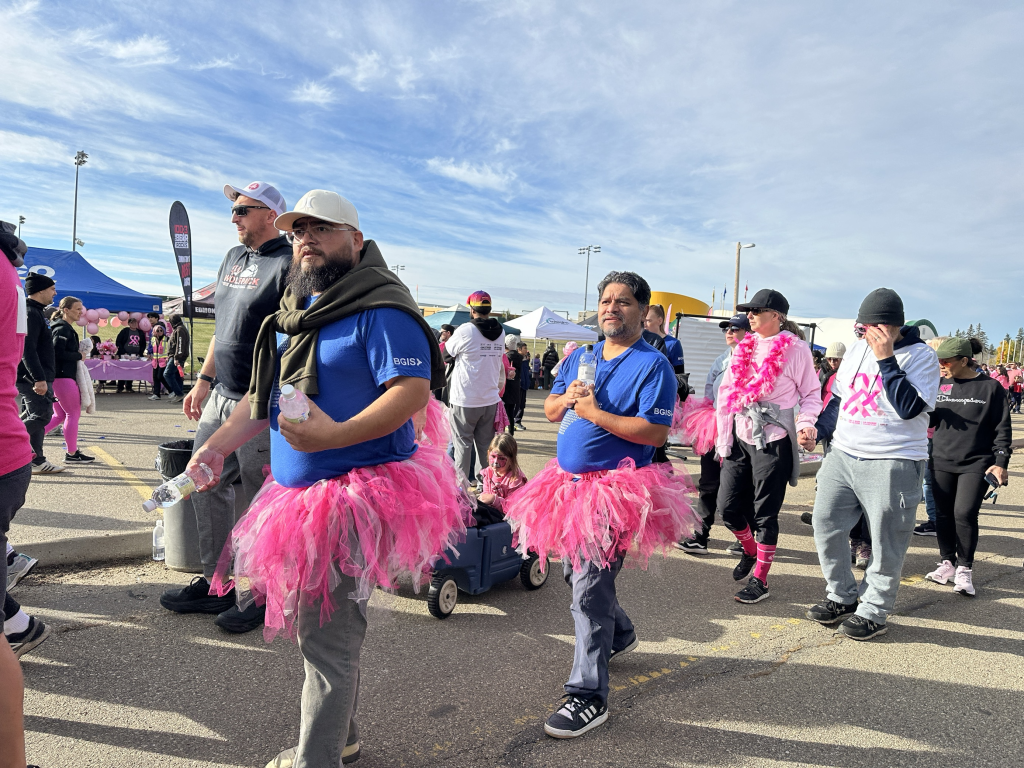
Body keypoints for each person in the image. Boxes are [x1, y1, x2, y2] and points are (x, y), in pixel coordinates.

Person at [187, 189, 465, 768]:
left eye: (321, 228)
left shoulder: (383, 308)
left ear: (356, 240)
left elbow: (412, 393)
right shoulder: (295, 314)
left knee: (327, 641)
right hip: (297, 501)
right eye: (296, 232)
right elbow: (262, 403)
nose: (305, 238)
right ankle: (343, 737)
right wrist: (213, 448)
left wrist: (332, 437)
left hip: (355, 498)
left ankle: (319, 759)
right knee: (319, 632)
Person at [506, 271, 699, 740]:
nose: (612, 308)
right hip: (565, 486)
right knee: (576, 574)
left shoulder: (653, 366)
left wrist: (593, 414)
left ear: (641, 310)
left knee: (588, 590)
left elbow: (654, 435)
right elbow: (551, 410)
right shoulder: (581, 355)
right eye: (606, 301)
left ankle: (588, 696)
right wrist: (568, 399)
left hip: (614, 492)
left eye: (624, 302)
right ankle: (620, 634)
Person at [160, 181, 291, 634]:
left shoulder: (289, 263)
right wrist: (204, 379)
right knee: (201, 480)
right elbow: (223, 325)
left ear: (270, 214)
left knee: (260, 500)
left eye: (242, 210)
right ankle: (215, 584)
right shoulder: (234, 258)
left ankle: (260, 591)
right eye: (232, 210)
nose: (233, 217)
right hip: (221, 395)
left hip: (261, 403)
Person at [805, 288, 939, 640]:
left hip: (894, 459)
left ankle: (874, 610)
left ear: (891, 326)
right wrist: (816, 430)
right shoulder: (857, 351)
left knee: (885, 540)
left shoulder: (921, 356)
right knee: (825, 523)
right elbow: (838, 402)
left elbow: (909, 407)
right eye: (861, 329)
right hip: (844, 454)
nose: (865, 335)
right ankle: (842, 595)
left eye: (870, 329)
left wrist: (885, 358)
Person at [715, 289, 822, 604]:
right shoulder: (742, 347)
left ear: (778, 316)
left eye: (757, 310)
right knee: (729, 507)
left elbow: (811, 393)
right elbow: (725, 396)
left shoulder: (796, 349)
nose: (749, 315)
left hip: (774, 439)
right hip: (741, 435)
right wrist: (723, 441)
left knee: (765, 513)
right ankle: (750, 551)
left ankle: (760, 579)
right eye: (749, 310)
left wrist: (806, 424)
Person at [924, 337, 1011, 596]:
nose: (941, 365)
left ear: (964, 360)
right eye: (938, 360)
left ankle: (965, 569)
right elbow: (927, 417)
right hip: (940, 459)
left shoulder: (991, 388)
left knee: (964, 513)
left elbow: (1002, 429)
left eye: (946, 361)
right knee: (942, 515)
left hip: (977, 462)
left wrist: (1000, 463)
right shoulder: (939, 384)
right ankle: (947, 562)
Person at [2, 225, 50, 660]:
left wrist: (37, 378)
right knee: (45, 417)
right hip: (9, 448)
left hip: (6, 449)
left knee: (49, 417)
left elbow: (30, 354)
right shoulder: (13, 284)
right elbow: (28, 353)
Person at [676, 313, 749, 554]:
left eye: (735, 328)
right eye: (727, 328)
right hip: (715, 425)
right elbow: (709, 394)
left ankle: (745, 537)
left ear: (748, 332)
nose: (729, 332)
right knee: (708, 483)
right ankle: (700, 535)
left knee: (741, 485)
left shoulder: (755, 361)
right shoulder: (720, 361)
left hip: (742, 429)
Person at [443, 290, 505, 483]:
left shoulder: (466, 330)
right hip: (489, 398)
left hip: (465, 399)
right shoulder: (501, 331)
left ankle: (461, 491)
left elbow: (446, 354)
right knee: (486, 446)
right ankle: (488, 486)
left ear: (471, 309)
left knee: (462, 445)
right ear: (489, 309)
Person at [18, 272, 61, 474]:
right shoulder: (31, 313)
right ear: (41, 290)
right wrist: (39, 379)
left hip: (38, 376)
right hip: (33, 377)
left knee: (35, 416)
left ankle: (37, 460)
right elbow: (28, 349)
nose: (55, 293)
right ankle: (8, 443)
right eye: (52, 289)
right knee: (41, 415)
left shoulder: (36, 312)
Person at [44, 296, 93, 463]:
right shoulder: (63, 329)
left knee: (60, 415)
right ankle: (72, 453)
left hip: (58, 377)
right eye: (78, 309)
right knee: (72, 414)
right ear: (66, 310)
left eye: (81, 309)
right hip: (63, 377)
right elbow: (57, 352)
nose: (81, 312)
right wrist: (79, 355)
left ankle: (28, 440)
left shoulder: (61, 327)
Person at [473, 433, 527, 526]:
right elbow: (486, 495)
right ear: (488, 453)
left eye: (501, 458)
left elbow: (514, 509)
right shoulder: (488, 473)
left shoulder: (516, 480)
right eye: (493, 456)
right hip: (491, 514)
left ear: (511, 459)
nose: (495, 462)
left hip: (506, 522)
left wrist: (494, 499)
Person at [643, 304, 685, 372]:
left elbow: (679, 375)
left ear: (660, 321)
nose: (645, 324)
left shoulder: (673, 344)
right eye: (643, 320)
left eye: (648, 321)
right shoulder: (640, 342)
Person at [161, 314, 190, 403]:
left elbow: (179, 344)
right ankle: (179, 395)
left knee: (167, 374)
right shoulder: (179, 328)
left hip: (177, 357)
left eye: (170, 321)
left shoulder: (180, 329)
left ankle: (179, 393)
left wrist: (176, 357)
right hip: (175, 356)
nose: (169, 323)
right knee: (177, 376)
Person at [114, 317, 145, 393]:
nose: (134, 324)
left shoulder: (140, 332)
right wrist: (123, 351)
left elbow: (143, 344)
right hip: (124, 355)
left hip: (135, 355)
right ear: (129, 324)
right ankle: (120, 387)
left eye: (135, 322)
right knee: (122, 370)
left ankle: (129, 387)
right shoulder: (125, 331)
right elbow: (118, 341)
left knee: (131, 371)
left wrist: (140, 353)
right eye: (132, 323)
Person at [501, 334, 523, 436]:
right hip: (516, 386)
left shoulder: (506, 357)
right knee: (510, 412)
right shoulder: (520, 357)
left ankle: (501, 432)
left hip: (506, 387)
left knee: (503, 411)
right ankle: (511, 433)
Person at [147, 323, 169, 401]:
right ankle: (156, 394)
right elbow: (150, 347)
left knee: (160, 376)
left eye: (161, 330)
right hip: (155, 361)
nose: (159, 332)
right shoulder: (153, 339)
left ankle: (171, 390)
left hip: (164, 361)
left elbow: (169, 349)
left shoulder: (167, 339)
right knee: (155, 378)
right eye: (157, 330)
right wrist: (149, 353)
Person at [516, 341, 531, 429]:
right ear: (519, 349)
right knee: (518, 404)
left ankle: (518, 421)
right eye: (524, 348)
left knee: (522, 404)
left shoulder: (526, 359)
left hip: (525, 384)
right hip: (519, 385)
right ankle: (516, 421)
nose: (526, 350)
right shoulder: (517, 359)